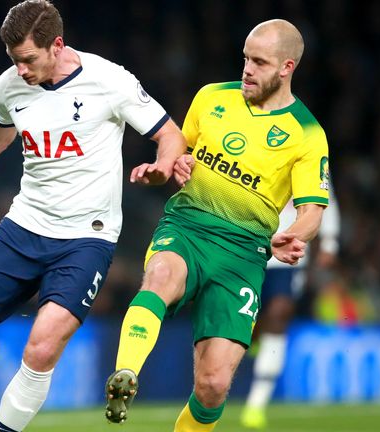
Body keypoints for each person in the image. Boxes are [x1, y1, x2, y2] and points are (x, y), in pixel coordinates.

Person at [0, 1, 186, 431]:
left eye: (29, 59)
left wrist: (163, 167)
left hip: (87, 238)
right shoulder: (10, 86)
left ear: (57, 45)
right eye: (13, 61)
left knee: (42, 347)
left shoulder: (109, 80)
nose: (22, 70)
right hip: (24, 225)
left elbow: (170, 134)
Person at [104, 19, 331, 431]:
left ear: (287, 68)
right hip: (189, 224)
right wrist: (168, 165)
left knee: (213, 384)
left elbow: (313, 210)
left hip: (245, 253)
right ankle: (126, 375)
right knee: (160, 277)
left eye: (259, 62)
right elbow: (177, 145)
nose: (246, 69)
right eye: (245, 58)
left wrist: (292, 235)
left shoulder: (308, 134)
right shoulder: (212, 97)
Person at [240, 189, 339, 429]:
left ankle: (256, 404)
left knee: (279, 313)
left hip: (289, 255)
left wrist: (329, 241)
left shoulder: (307, 152)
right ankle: (256, 336)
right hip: (248, 248)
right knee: (245, 320)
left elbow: (324, 197)